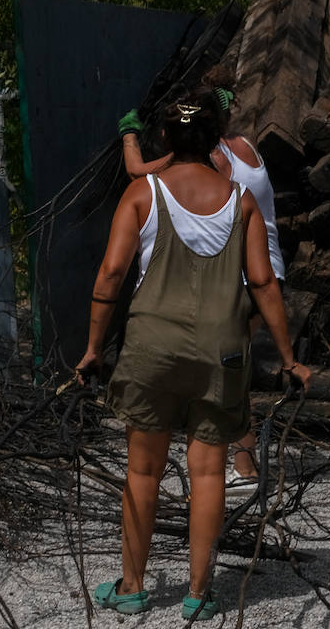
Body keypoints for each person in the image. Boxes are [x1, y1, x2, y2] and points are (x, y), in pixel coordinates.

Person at [77, 86, 311, 621]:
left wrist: (93, 348)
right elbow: (263, 284)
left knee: (143, 470)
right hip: (220, 349)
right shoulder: (241, 200)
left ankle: (132, 587)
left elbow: (112, 274)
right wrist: (288, 357)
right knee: (207, 473)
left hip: (151, 348)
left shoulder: (143, 194)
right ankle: (198, 593)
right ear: (216, 139)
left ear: (163, 136)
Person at [117, 67, 284, 481]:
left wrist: (129, 136)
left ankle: (240, 468)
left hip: (238, 269)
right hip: (271, 265)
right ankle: (242, 465)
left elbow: (139, 172)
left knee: (230, 374)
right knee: (235, 366)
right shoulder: (247, 147)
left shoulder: (213, 158)